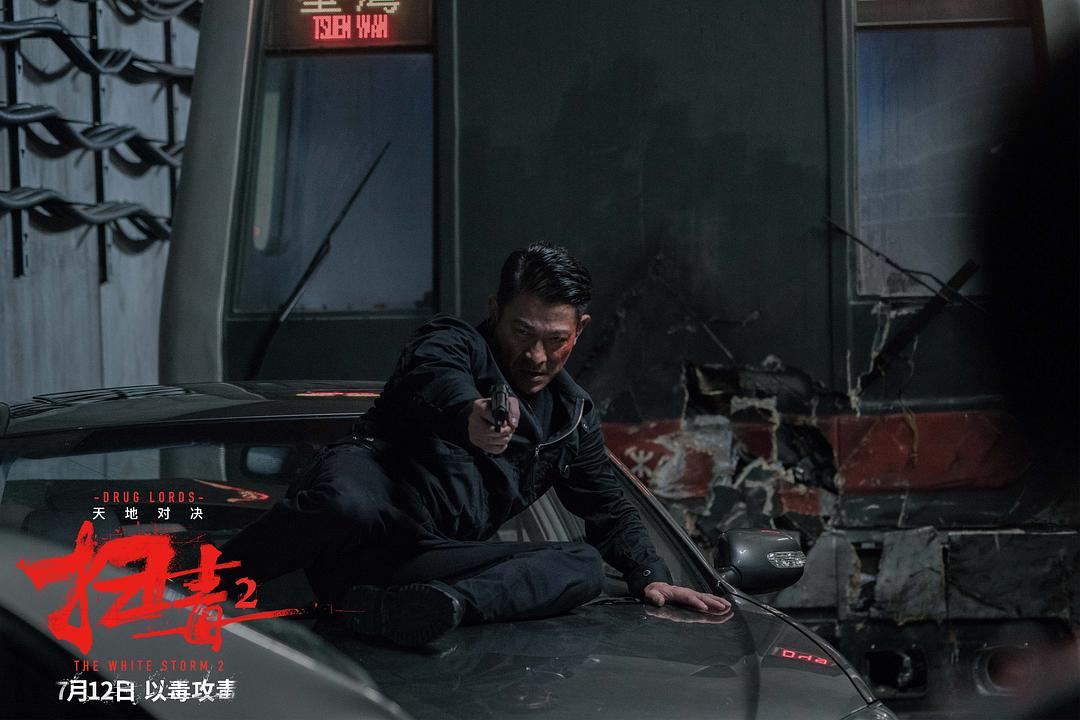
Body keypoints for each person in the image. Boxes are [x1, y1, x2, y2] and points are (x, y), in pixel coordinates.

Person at [220, 243, 730, 645]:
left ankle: (427, 609)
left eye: (555, 339)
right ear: (495, 311)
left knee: (581, 567)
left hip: (413, 568)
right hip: (340, 537)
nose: (536, 355)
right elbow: (436, 374)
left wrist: (650, 574)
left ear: (580, 330)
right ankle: (204, 579)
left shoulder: (571, 421)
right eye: (522, 332)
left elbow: (609, 510)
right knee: (345, 502)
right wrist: (470, 414)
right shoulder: (451, 343)